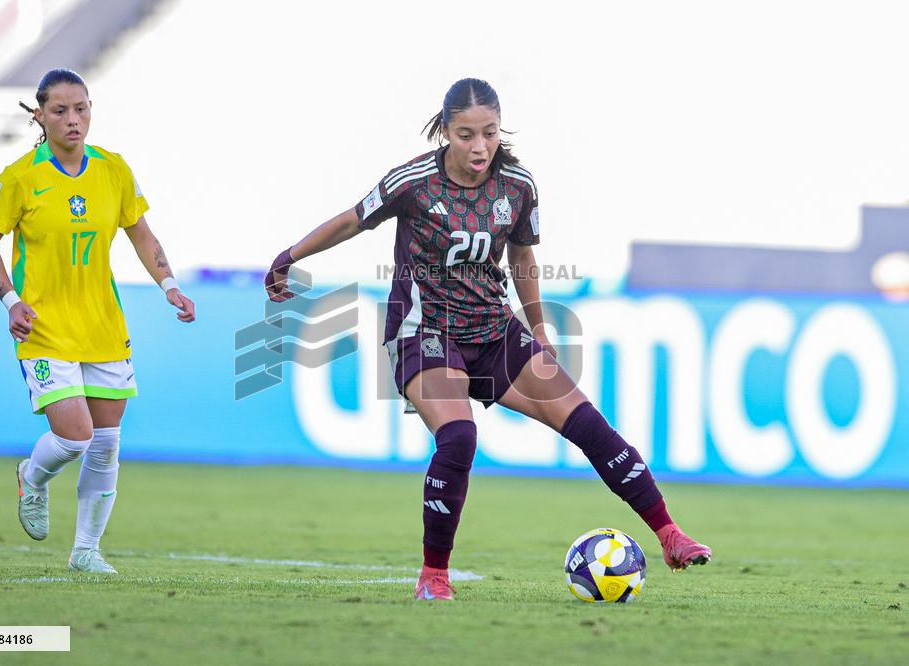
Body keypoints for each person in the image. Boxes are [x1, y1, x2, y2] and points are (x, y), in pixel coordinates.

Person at [265, 78, 710, 601]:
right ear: (445, 132)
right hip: (423, 331)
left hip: (494, 330)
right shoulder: (412, 182)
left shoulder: (518, 185)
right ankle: (434, 577)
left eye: (490, 133)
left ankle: (669, 534)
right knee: (459, 437)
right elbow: (350, 221)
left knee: (588, 423)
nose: (480, 147)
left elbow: (522, 259)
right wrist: (290, 257)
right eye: (466, 135)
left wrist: (539, 328)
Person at [0, 68, 195, 574]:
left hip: (102, 326)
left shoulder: (114, 169)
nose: (73, 120)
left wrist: (170, 286)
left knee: (107, 442)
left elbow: (141, 233)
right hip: (43, 327)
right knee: (75, 436)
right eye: (60, 111)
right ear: (40, 116)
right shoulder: (18, 178)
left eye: (82, 108)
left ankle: (87, 550)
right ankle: (32, 476)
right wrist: (11, 301)